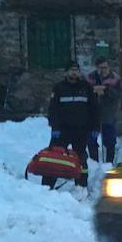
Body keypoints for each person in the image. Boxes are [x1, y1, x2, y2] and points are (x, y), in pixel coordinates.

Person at [45, 61, 97, 189]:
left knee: (81, 159)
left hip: (81, 130)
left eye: (76, 70)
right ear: (66, 72)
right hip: (62, 130)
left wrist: (95, 128)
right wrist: (55, 127)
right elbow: (53, 109)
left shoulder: (87, 88)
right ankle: (46, 186)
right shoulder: (59, 88)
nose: (74, 73)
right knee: (54, 157)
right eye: (71, 70)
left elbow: (95, 109)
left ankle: (81, 186)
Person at [87, 56, 122, 163]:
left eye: (105, 67)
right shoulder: (90, 78)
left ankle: (109, 163)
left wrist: (106, 90)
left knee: (110, 141)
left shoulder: (115, 78)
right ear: (96, 68)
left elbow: (118, 95)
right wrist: (94, 92)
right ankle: (94, 163)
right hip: (93, 115)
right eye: (101, 68)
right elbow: (85, 93)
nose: (103, 70)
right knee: (91, 140)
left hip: (109, 114)